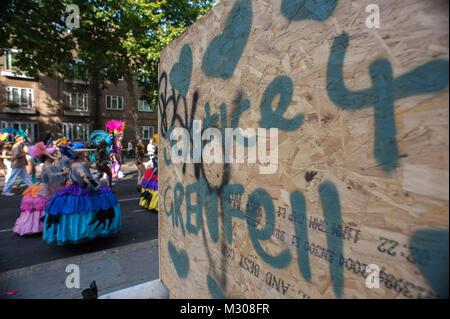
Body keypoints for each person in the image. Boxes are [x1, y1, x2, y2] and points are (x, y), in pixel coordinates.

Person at [43, 151, 122, 245]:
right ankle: (87, 232)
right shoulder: (78, 165)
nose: (86, 155)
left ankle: (79, 231)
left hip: (77, 188)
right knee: (87, 211)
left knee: (80, 212)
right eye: (84, 153)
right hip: (84, 189)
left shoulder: (73, 164)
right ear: (80, 155)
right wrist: (89, 180)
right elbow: (82, 174)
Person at [13, 150, 69, 236]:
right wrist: (63, 172)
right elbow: (51, 175)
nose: (54, 155)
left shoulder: (49, 164)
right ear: (48, 156)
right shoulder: (47, 165)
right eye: (52, 154)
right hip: (46, 188)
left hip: (46, 186)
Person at [139, 146, 158, 213]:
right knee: (154, 190)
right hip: (155, 174)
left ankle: (152, 205)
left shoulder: (155, 157)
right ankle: (153, 206)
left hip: (155, 173)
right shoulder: (155, 158)